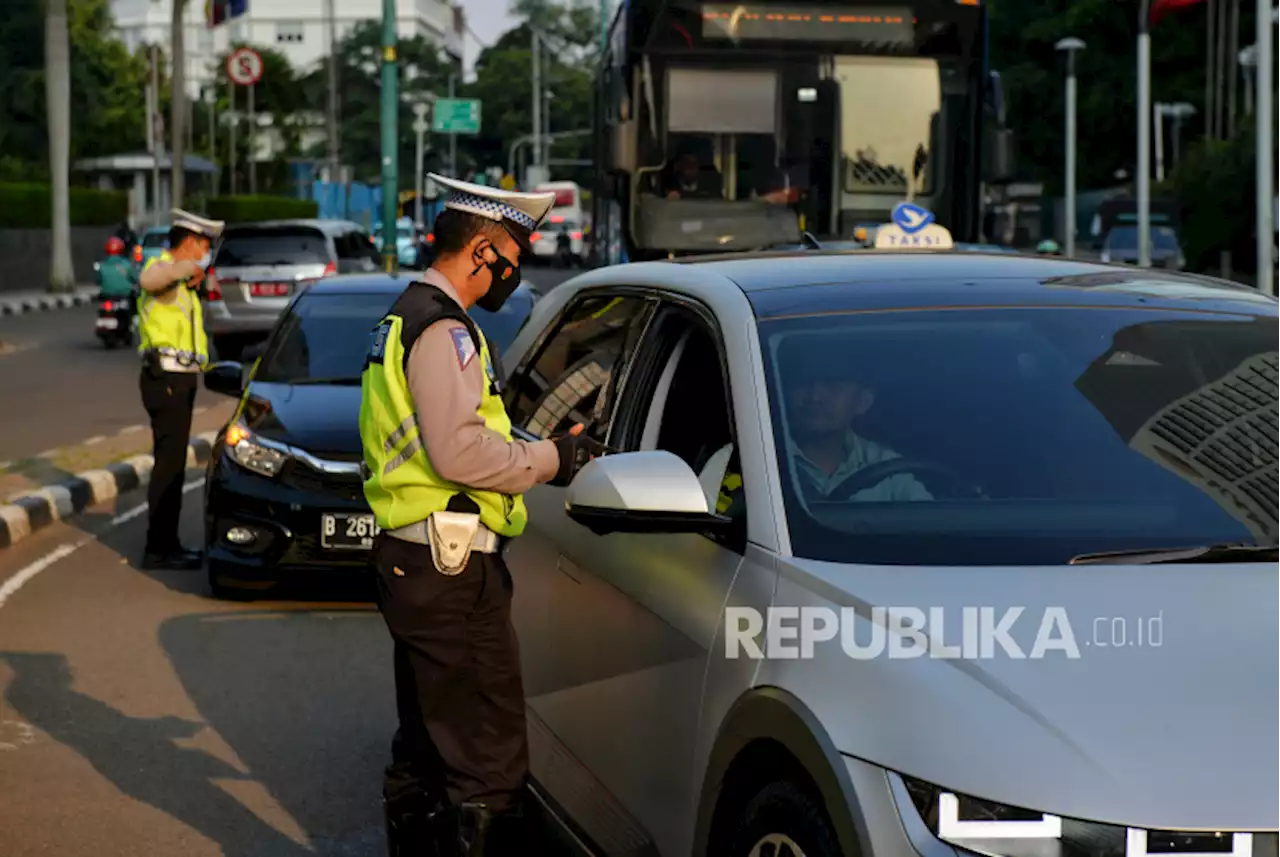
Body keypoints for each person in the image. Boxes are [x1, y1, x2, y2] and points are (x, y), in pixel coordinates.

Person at [359, 173, 603, 857]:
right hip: (449, 570)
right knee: (487, 764)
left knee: (425, 746)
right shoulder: (444, 329)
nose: (513, 273)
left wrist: (531, 446)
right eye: (512, 258)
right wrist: (553, 460)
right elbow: (459, 450)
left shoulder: (406, 315)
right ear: (483, 249)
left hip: (417, 561)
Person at [136, 208, 225, 571]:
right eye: (202, 245)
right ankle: (159, 547)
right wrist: (187, 270)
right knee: (169, 466)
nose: (205, 251)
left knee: (172, 463)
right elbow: (149, 281)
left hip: (180, 380)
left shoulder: (181, 280)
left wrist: (200, 281)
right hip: (166, 380)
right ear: (188, 243)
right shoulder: (162, 267)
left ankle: (166, 542)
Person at [783, 356, 932, 503]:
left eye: (833, 384)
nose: (815, 397)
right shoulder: (766, 459)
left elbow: (928, 521)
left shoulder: (888, 468)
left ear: (863, 402)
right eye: (803, 382)